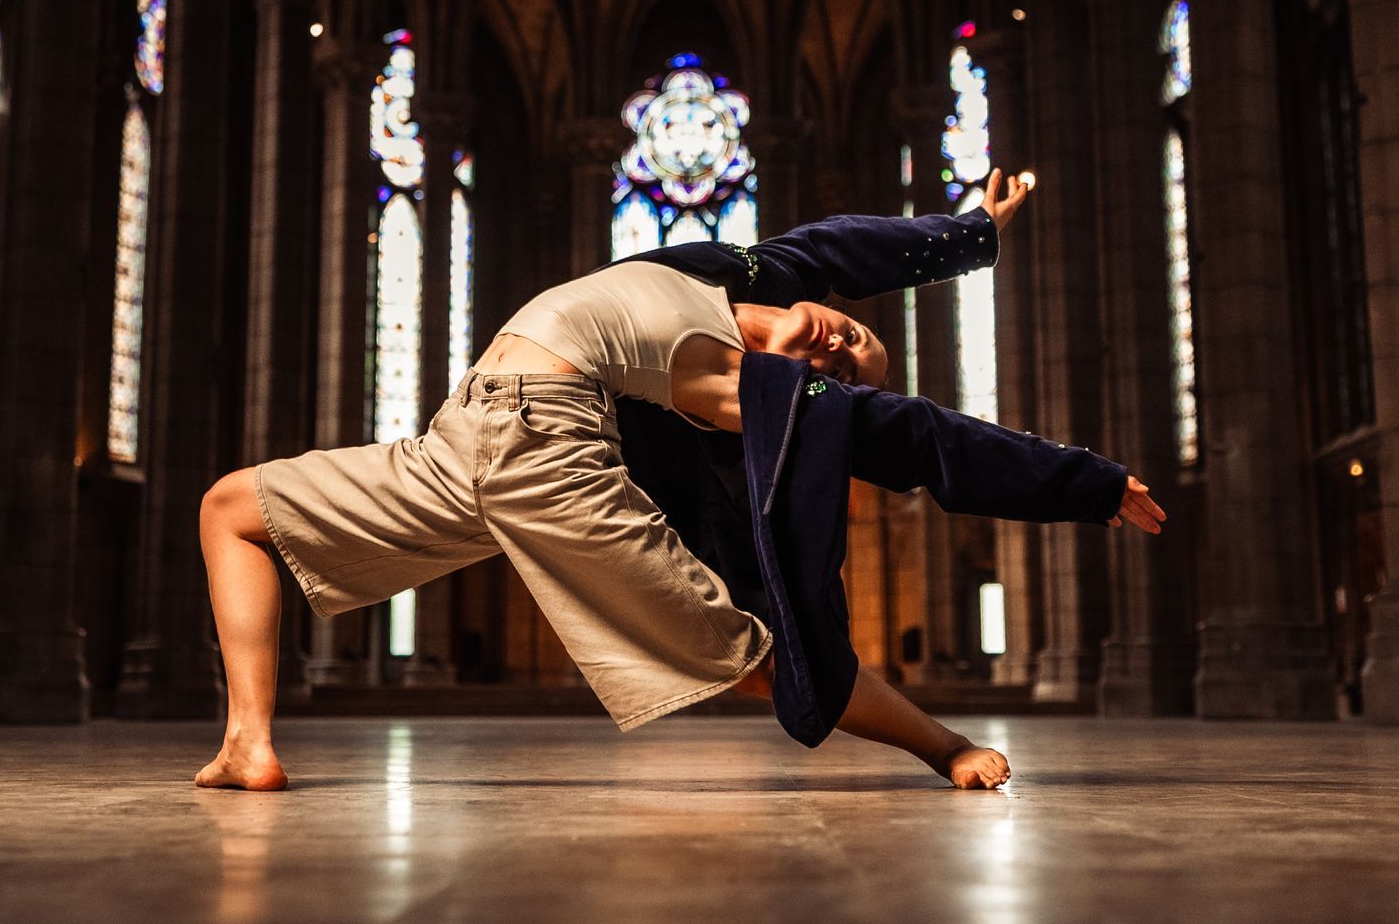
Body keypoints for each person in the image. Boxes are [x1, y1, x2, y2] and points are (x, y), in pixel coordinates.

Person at [194, 168, 1165, 792]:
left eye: (839, 371)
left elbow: (919, 440)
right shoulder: (731, 272)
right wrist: (970, 233)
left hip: (548, 442)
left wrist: (1084, 483)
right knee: (233, 509)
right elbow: (840, 247)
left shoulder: (755, 388)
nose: (836, 349)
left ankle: (943, 745)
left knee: (752, 656)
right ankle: (249, 742)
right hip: (471, 426)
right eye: (850, 334)